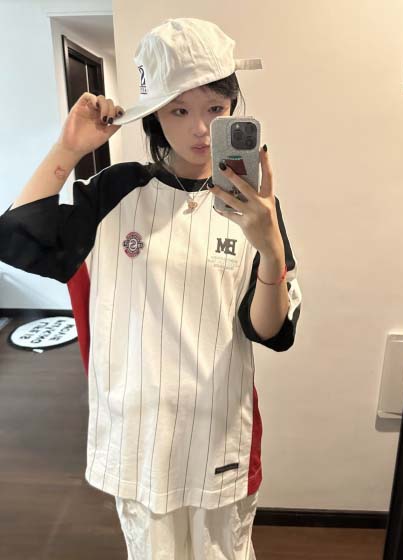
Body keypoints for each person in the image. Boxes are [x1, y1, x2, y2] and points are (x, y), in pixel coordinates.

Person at [0, 17, 302, 560]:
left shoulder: (256, 206)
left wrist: (270, 249)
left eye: (215, 108)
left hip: (220, 433)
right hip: (140, 437)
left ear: (235, 108)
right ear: (156, 117)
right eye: (178, 110)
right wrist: (67, 148)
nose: (200, 129)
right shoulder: (116, 193)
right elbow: (18, 240)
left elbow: (271, 331)